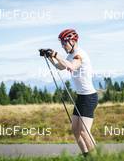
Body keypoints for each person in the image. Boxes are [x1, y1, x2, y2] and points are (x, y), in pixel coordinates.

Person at [45, 29, 98, 157]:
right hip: (81, 97)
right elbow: (60, 66)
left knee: (84, 131)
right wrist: (50, 57)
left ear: (73, 41)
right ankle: (87, 156)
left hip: (89, 98)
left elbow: (72, 66)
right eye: (61, 44)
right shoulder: (70, 55)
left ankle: (97, 157)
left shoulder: (79, 55)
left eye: (64, 43)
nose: (63, 46)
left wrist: (56, 54)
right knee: (75, 130)